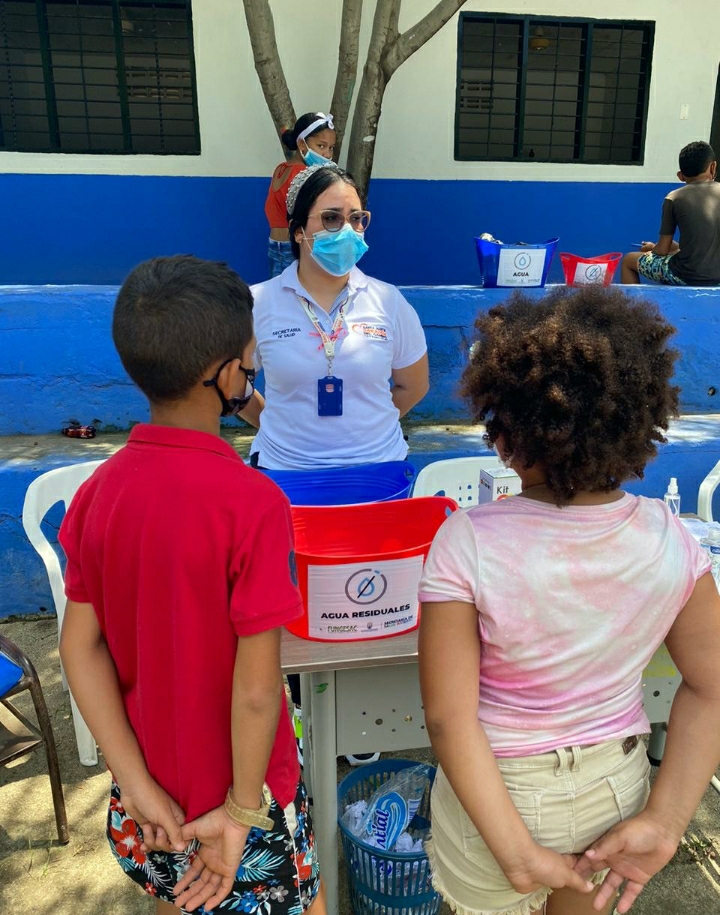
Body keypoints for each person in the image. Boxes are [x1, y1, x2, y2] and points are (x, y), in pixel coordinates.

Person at [417, 285, 720, 915]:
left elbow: (448, 718)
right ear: (635, 421)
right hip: (614, 789)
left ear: (507, 432)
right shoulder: (669, 535)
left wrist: (515, 854)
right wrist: (666, 820)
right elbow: (712, 686)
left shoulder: (468, 539)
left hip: (494, 796)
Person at [58, 256, 325, 915]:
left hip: (151, 795)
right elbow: (257, 692)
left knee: (180, 896)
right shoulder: (253, 504)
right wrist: (240, 811)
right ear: (229, 375)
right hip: (244, 794)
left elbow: (78, 647)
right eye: (251, 357)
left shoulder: (96, 495)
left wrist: (134, 784)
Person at [245, 161, 430, 765]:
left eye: (357, 218)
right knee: (297, 618)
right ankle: (302, 719)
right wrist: (280, 428)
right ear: (299, 230)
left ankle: (360, 726)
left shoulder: (389, 302)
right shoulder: (259, 304)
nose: (346, 231)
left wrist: (365, 429)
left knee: (368, 607)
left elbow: (413, 386)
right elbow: (234, 388)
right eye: (330, 219)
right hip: (288, 483)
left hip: (378, 479)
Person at [622, 140, 720, 286]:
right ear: (713, 167)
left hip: (687, 274)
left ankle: (633, 302)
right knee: (676, 250)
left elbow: (662, 250)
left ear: (680, 176)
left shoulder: (674, 198)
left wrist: (652, 249)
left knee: (628, 260)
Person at [265, 112, 336, 278]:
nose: (327, 154)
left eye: (331, 148)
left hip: (275, 245)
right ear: (302, 144)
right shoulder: (304, 175)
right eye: (321, 146)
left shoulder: (281, 169)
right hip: (294, 249)